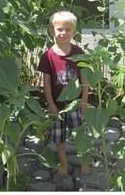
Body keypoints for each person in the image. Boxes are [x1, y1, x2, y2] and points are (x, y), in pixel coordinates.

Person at [37, 11, 90, 177]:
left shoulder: (78, 52)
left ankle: (84, 161)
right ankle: (64, 164)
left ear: (73, 32)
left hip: (75, 104)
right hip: (58, 106)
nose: (63, 33)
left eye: (68, 29)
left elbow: (84, 77)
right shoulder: (48, 56)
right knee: (59, 138)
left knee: (81, 135)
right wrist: (50, 104)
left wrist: (84, 100)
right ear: (52, 31)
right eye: (59, 29)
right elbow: (45, 82)